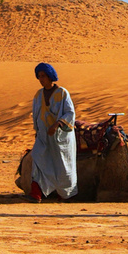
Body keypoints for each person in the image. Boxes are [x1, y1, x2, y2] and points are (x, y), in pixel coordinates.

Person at [27, 63, 77, 202]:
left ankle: (66, 195)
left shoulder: (62, 93)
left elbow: (70, 113)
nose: (40, 79)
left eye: (43, 76)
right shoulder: (38, 95)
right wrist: (37, 130)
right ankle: (36, 193)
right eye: (39, 76)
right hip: (43, 136)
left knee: (63, 166)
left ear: (50, 76)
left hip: (60, 138)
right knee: (38, 159)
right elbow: (36, 114)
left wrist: (57, 124)